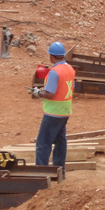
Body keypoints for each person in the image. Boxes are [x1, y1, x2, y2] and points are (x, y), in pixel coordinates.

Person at [31, 41, 76, 169]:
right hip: (65, 111)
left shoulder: (54, 72)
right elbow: (71, 87)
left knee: (43, 143)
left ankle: (41, 173)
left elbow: (49, 94)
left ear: (52, 56)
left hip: (53, 112)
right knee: (60, 141)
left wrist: (38, 92)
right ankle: (59, 170)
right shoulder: (70, 69)